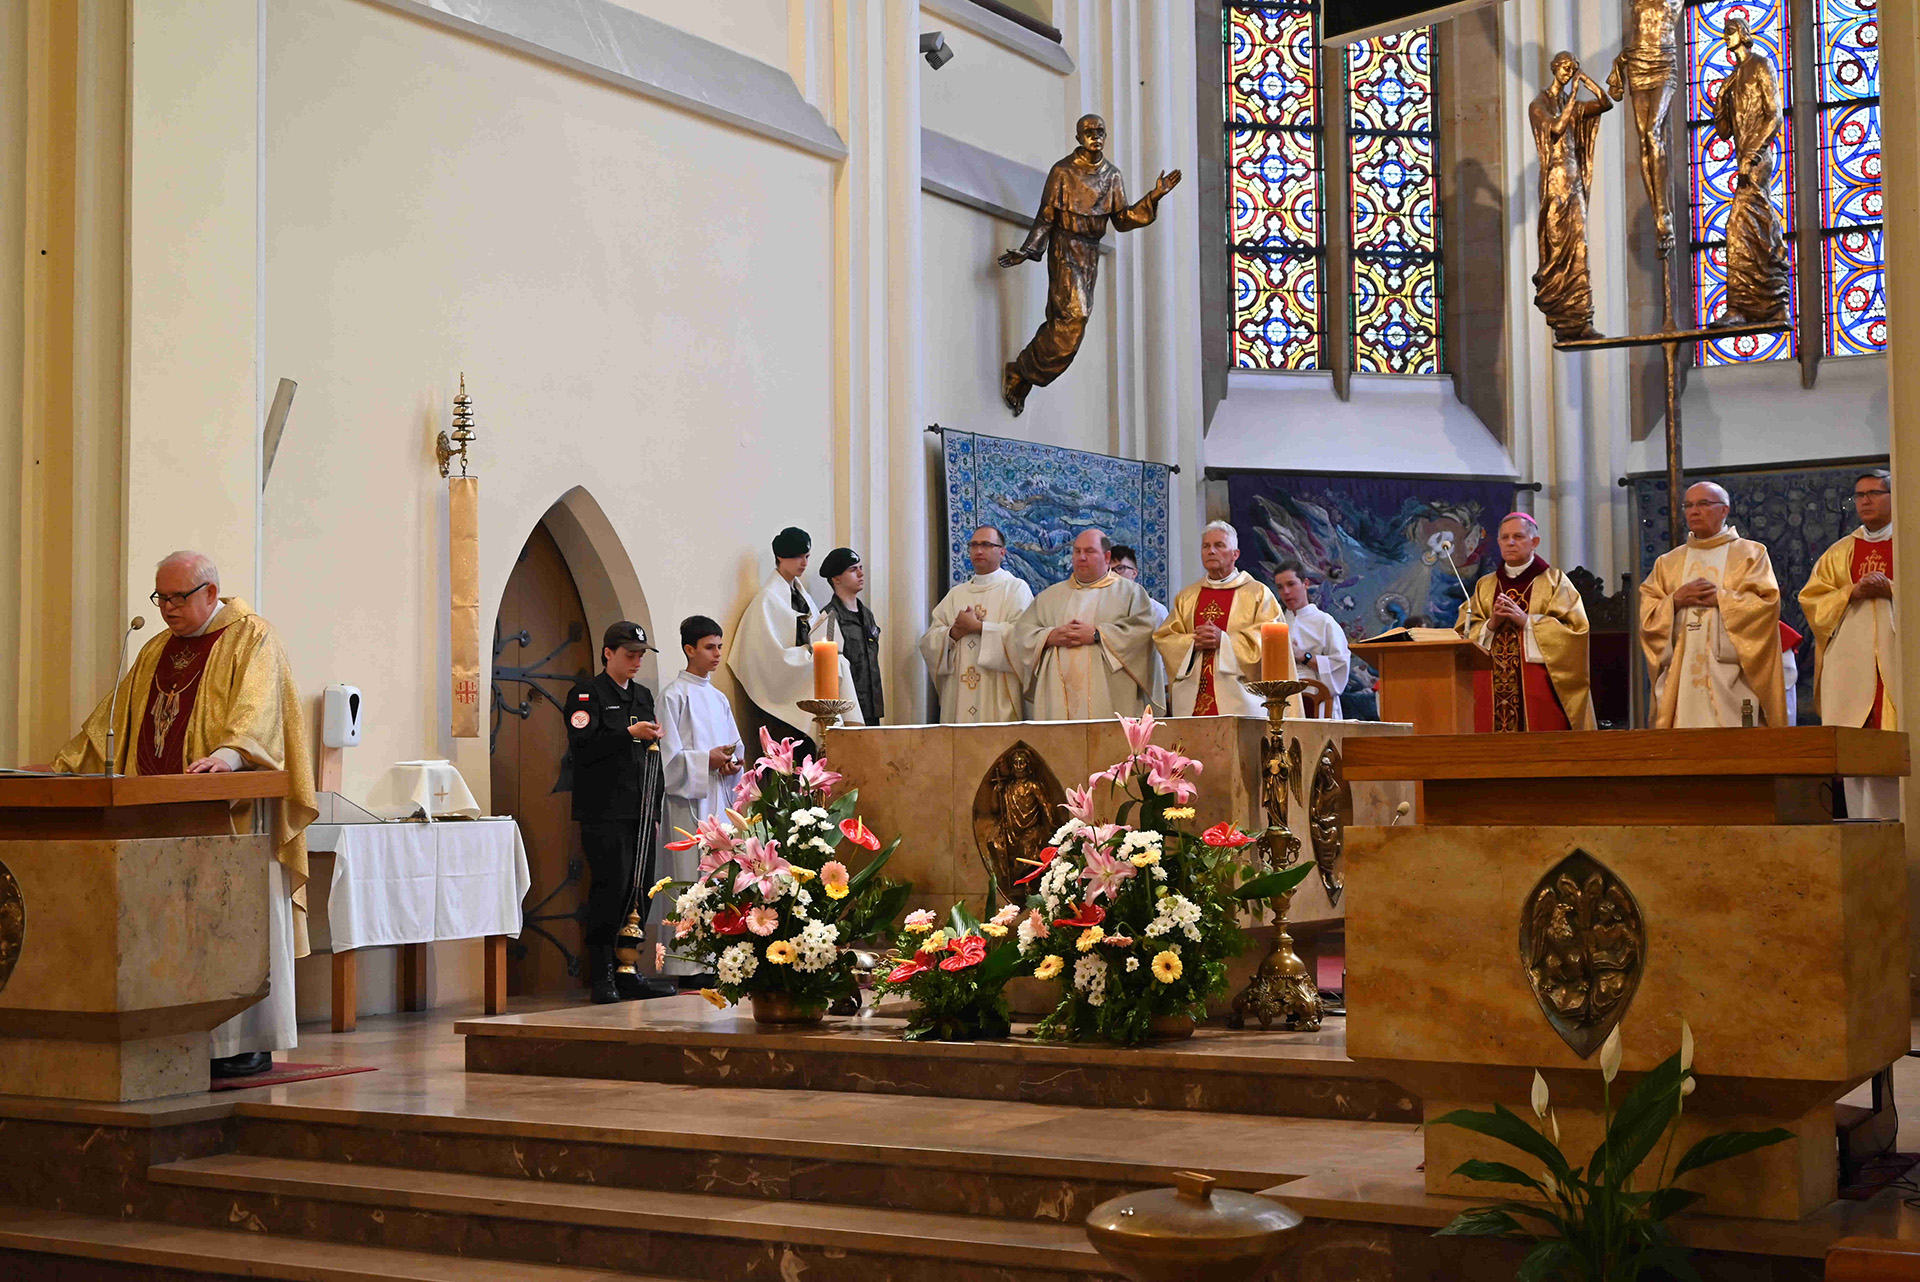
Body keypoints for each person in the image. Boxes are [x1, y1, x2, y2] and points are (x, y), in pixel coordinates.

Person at [51, 551, 318, 1079]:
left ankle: (247, 1042)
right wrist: (61, 769)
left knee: (231, 924)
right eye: (161, 597)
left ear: (211, 593)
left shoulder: (252, 637)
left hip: (232, 815)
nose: (167, 608)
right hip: (158, 820)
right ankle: (176, 1039)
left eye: (178, 597)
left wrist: (229, 756)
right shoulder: (154, 649)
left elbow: (259, 713)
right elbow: (110, 724)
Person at [998, 114, 1181, 416]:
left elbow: (1122, 220)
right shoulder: (1063, 172)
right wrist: (1027, 251)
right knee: (1074, 319)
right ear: (1078, 138)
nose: (1095, 136)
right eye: (1089, 132)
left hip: (1089, 254)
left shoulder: (1112, 176)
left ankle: (1025, 370)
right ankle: (1022, 370)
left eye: (1100, 131)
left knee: (1071, 327)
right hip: (1065, 249)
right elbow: (1047, 217)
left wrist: (1155, 195)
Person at [565, 622, 675, 1004]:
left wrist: (655, 807)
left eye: (641, 655)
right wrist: (628, 734)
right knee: (611, 888)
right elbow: (583, 745)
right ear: (608, 653)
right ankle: (602, 974)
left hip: (640, 811)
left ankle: (628, 968)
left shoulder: (642, 696)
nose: (637, 662)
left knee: (640, 890)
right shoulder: (586, 694)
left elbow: (652, 756)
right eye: (630, 654)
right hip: (605, 810)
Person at [1639, 483, 1784, 729]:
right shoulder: (1668, 562)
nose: (1694, 511)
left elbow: (1766, 604)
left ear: (1724, 510)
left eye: (1703, 504)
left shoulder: (1751, 554)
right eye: (1688, 505)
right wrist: (1675, 600)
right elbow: (1647, 615)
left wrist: (1722, 599)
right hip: (1682, 675)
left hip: (1731, 674)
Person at [1799, 469, 1899, 817]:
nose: (1865, 501)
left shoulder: (1909, 542)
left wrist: (1891, 589)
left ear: (1894, 496)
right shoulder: (1840, 552)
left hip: (1897, 665)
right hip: (1852, 667)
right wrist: (1850, 592)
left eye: (1874, 493)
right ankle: (1860, 827)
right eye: (1859, 495)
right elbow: (1812, 600)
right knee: (1858, 760)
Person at [657, 616, 745, 982]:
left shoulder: (719, 698)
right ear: (689, 649)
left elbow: (736, 747)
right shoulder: (672, 696)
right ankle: (688, 965)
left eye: (720, 646)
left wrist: (732, 764)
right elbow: (668, 759)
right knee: (689, 878)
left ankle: (719, 960)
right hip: (688, 804)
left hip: (718, 801)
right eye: (710, 647)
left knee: (720, 878)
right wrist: (704, 760)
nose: (717, 654)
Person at [726, 526, 862, 761]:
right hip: (782, 690)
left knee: (839, 662)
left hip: (802, 674)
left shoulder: (803, 596)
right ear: (781, 557)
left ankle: (849, 732)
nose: (804, 563)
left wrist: (815, 651)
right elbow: (768, 657)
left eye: (807, 556)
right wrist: (808, 653)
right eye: (798, 556)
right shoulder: (767, 601)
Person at [1452, 514, 1596, 732]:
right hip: (1488, 688)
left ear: (1534, 542)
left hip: (1539, 688)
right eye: (1505, 537)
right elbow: (1462, 634)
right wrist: (1491, 625)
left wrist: (1528, 622)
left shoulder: (1555, 581)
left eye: (1518, 536)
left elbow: (1575, 631)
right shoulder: (1485, 585)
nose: (1510, 542)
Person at [1012, 528, 1156, 720]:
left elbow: (1142, 633)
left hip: (1109, 699)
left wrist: (1097, 635)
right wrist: (1049, 637)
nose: (1081, 557)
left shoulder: (1131, 593)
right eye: (1077, 551)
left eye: (1089, 551)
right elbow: (1022, 634)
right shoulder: (1049, 596)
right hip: (1057, 700)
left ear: (1106, 557)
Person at [1154, 522, 1285, 717]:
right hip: (1191, 696)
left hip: (1239, 696)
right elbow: (1165, 638)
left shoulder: (1257, 594)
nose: (1211, 551)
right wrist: (1192, 643)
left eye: (1219, 545)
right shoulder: (1187, 597)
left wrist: (1223, 641)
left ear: (1235, 554)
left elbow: (1269, 641)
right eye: (1206, 546)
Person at [1530, 51, 1613, 341]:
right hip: (1555, 182)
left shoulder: (1572, 103)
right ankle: (1564, 315)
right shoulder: (1539, 104)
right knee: (1558, 246)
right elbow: (1556, 127)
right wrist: (1575, 94)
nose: (1569, 72)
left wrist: (1587, 82)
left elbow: (1605, 103)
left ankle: (1582, 319)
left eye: (1573, 68)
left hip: (1574, 178)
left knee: (1579, 248)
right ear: (1554, 68)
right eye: (1565, 68)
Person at [920, 525, 1033, 723]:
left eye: (986, 545)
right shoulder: (956, 594)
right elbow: (929, 642)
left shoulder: (1015, 589)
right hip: (959, 692)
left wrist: (979, 628)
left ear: (1002, 552)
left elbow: (1025, 639)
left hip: (997, 691)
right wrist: (954, 633)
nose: (979, 551)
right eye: (974, 545)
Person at [1273, 560, 1351, 719]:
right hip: (1282, 699)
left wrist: (1305, 657)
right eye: (1280, 587)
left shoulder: (1325, 622)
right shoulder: (1276, 623)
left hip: (1316, 699)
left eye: (1291, 584)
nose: (1286, 592)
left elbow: (1340, 666)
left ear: (1305, 584)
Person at [819, 547, 883, 726]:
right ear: (836, 578)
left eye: (860, 568)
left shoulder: (867, 615)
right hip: (847, 709)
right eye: (853, 569)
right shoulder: (829, 617)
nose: (861, 574)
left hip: (871, 706)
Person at [1113, 544, 1169, 710]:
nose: (1114, 575)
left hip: (1146, 685)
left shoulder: (1155, 610)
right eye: (1109, 570)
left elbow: (1165, 653)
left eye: (1120, 568)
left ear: (1134, 573)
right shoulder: (1100, 609)